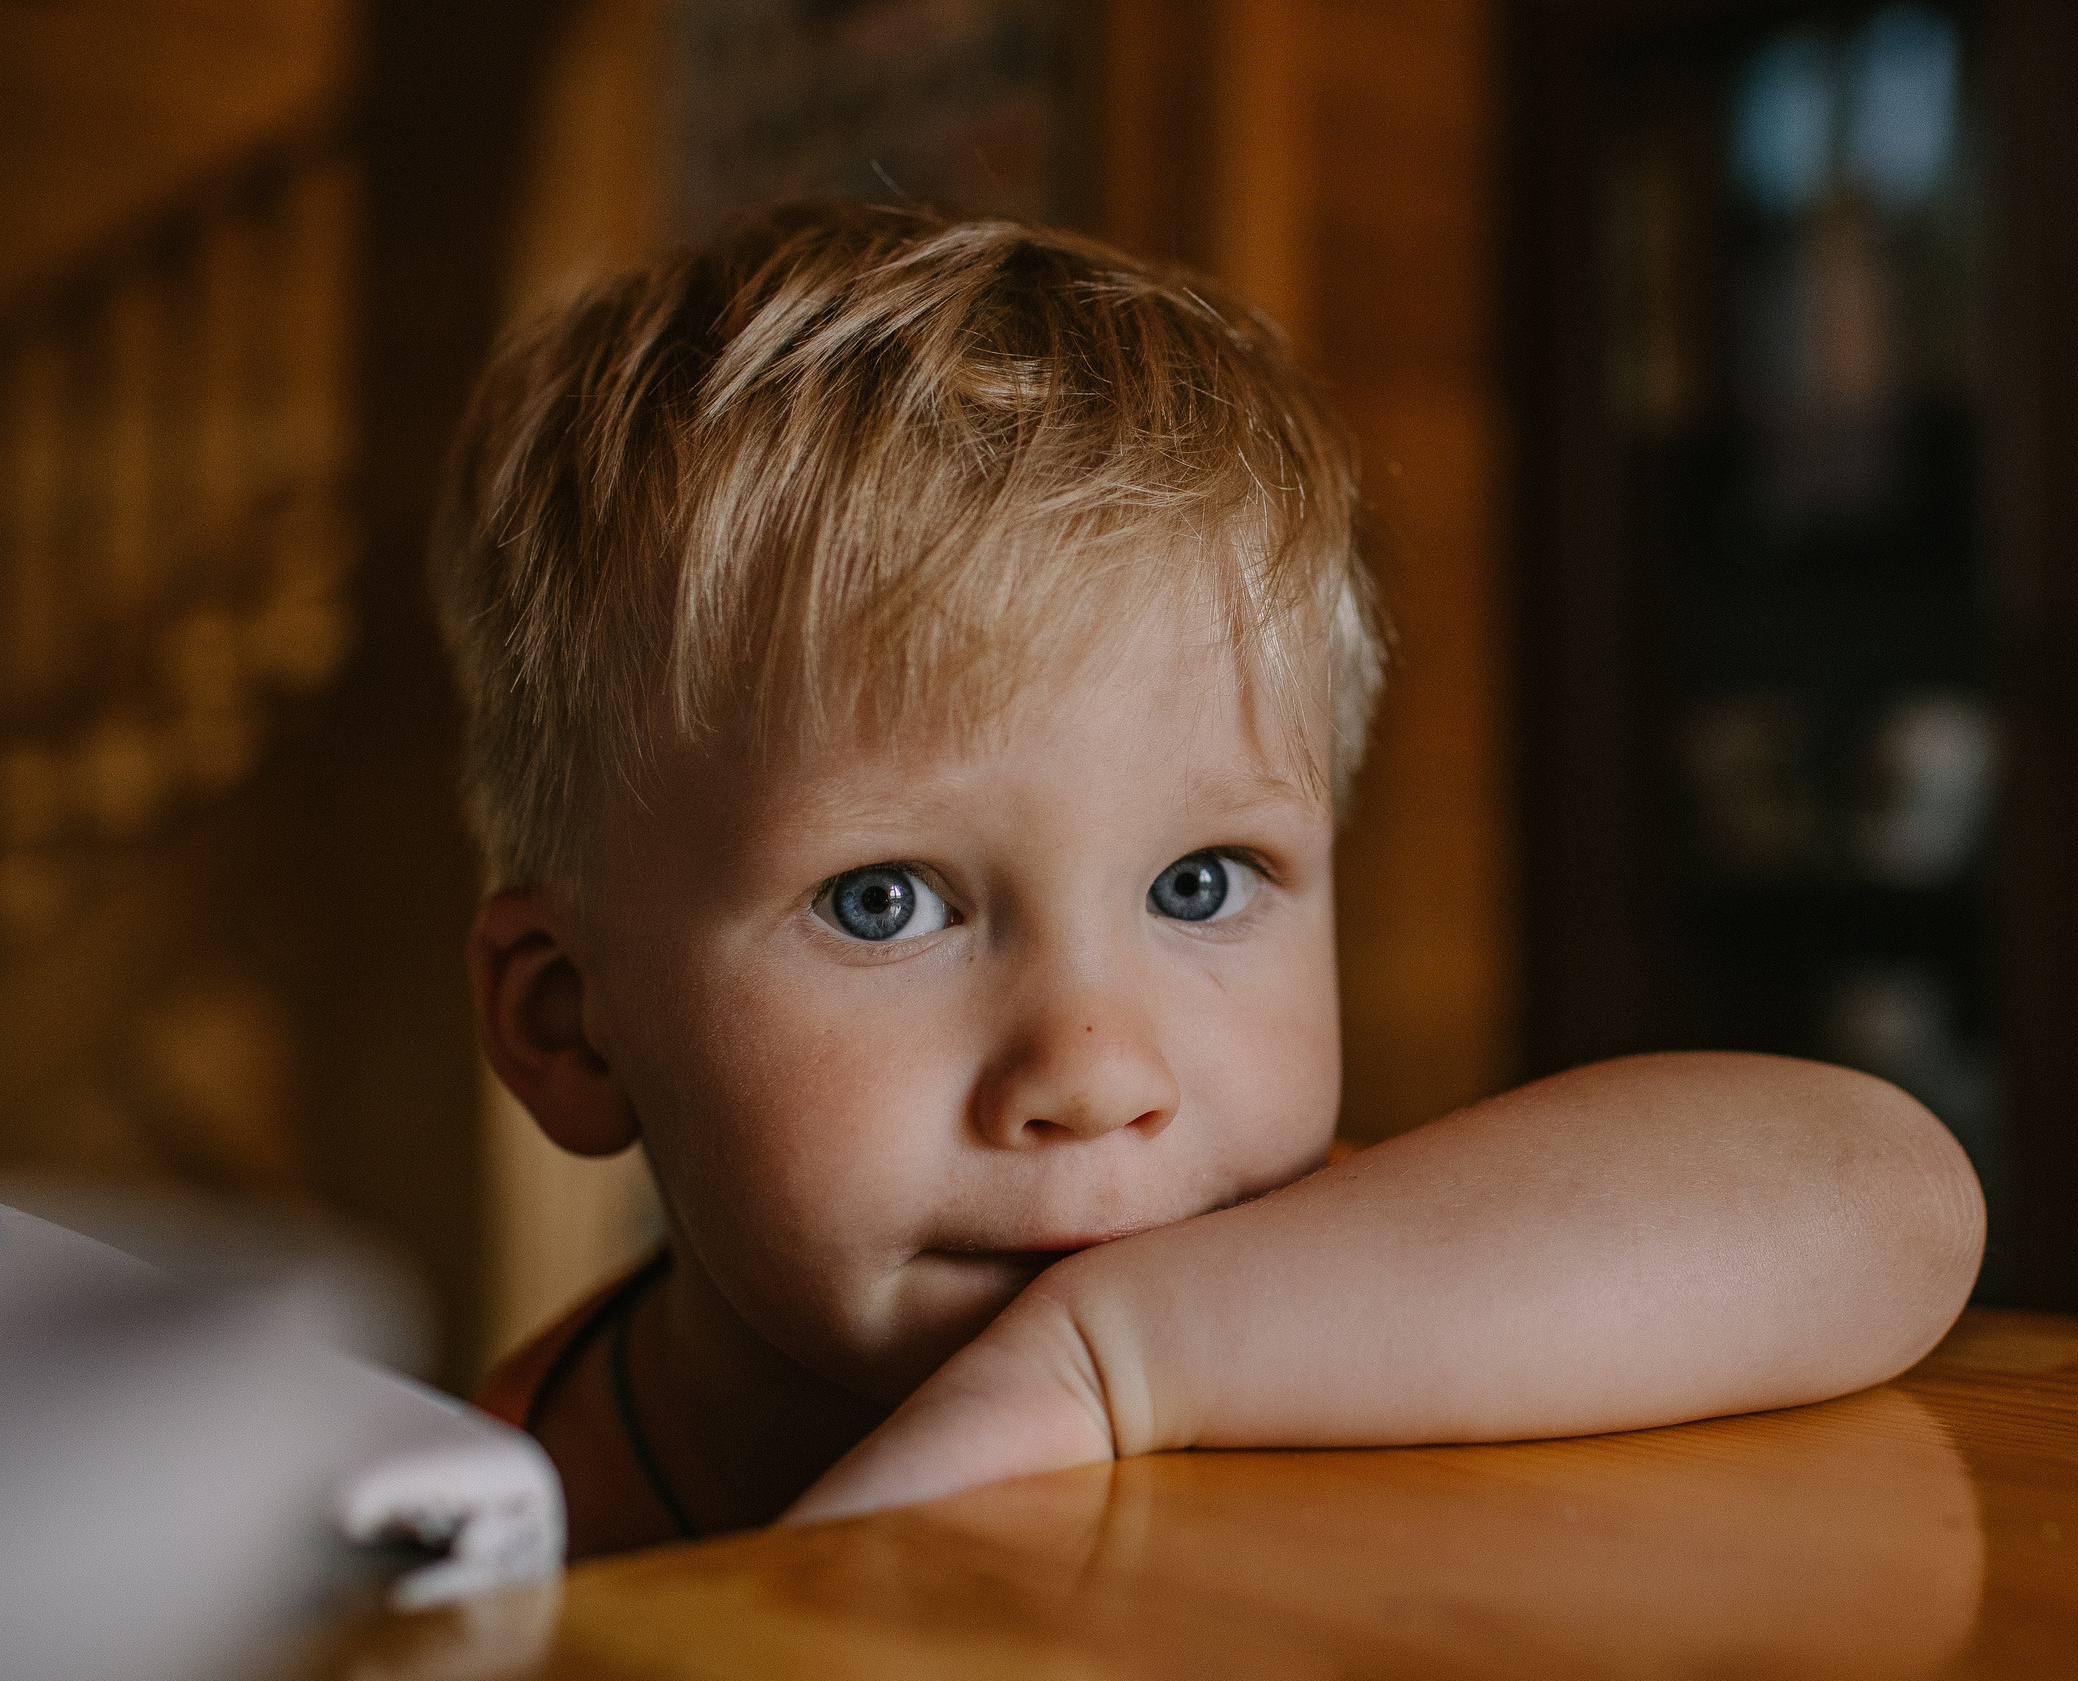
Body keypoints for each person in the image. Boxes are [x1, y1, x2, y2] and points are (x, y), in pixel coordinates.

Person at [442, 202, 1985, 1559]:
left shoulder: (1367, 1282)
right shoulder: (489, 1540)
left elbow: (1890, 1195)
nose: (1098, 1075)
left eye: (1198, 883)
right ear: (572, 1022)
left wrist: (1122, 1360)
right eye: (884, 901)